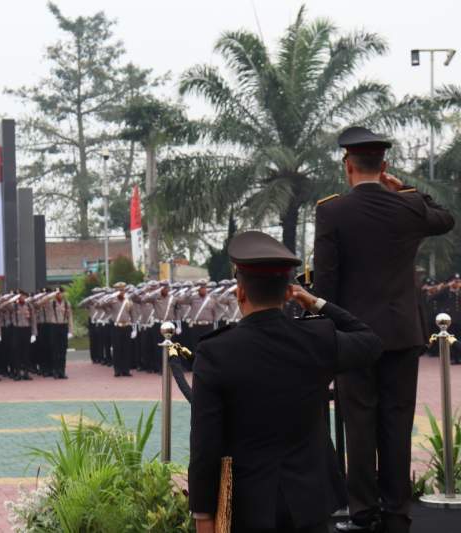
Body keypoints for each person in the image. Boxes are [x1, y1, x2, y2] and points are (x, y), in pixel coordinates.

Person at [190, 231, 383, 533]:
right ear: (287, 293)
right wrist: (316, 303)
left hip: (248, 505)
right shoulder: (317, 338)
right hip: (310, 500)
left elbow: (205, 444)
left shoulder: (215, 352)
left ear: (240, 292)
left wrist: (203, 515)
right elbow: (370, 341)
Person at [314, 127, 455, 533]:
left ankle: (363, 512)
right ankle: (397, 512)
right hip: (402, 333)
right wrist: (406, 189)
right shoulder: (408, 206)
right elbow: (445, 219)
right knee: (397, 422)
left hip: (354, 336)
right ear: (385, 165)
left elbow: (326, 281)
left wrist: (327, 334)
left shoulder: (333, 211)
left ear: (348, 166)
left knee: (359, 423)